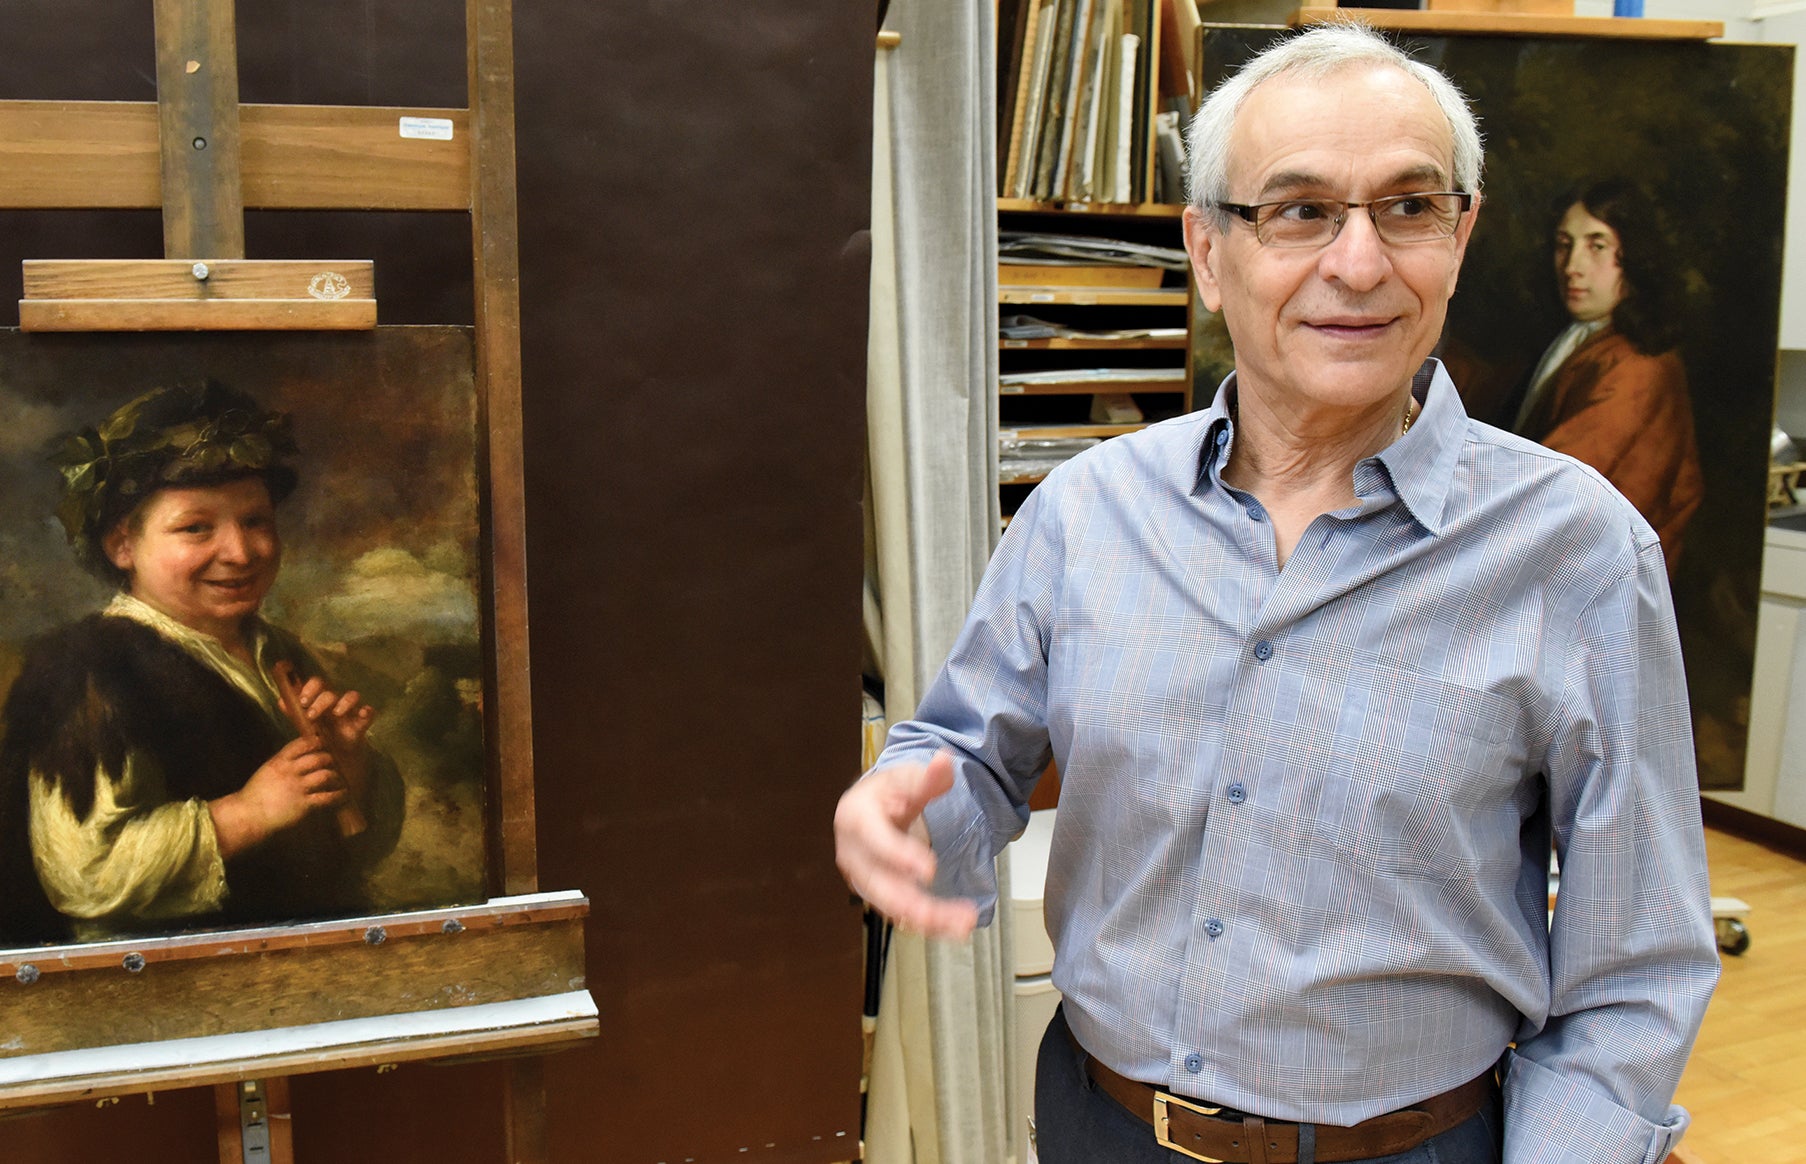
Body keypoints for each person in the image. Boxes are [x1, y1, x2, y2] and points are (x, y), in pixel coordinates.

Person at [835, 23, 1716, 1164]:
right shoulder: (1085, 512)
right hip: (1100, 1128)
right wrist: (908, 810)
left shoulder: (1579, 553)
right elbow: (968, 751)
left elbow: (1636, 961)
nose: (1359, 264)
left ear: (1462, 233)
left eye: (1407, 207)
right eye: (1299, 211)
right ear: (1206, 252)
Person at [0, 380, 402, 945]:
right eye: (196, 528)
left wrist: (346, 769)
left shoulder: (281, 652)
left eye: (256, 521)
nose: (240, 553)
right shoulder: (85, 670)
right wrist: (249, 812)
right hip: (163, 977)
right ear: (122, 545)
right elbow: (85, 875)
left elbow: (360, 850)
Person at [1512, 179, 1703, 575]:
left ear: (1632, 256)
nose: (1572, 266)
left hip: (1600, 588)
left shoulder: (1637, 368)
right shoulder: (1587, 338)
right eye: (1565, 245)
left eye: (1596, 246)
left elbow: (1552, 485)